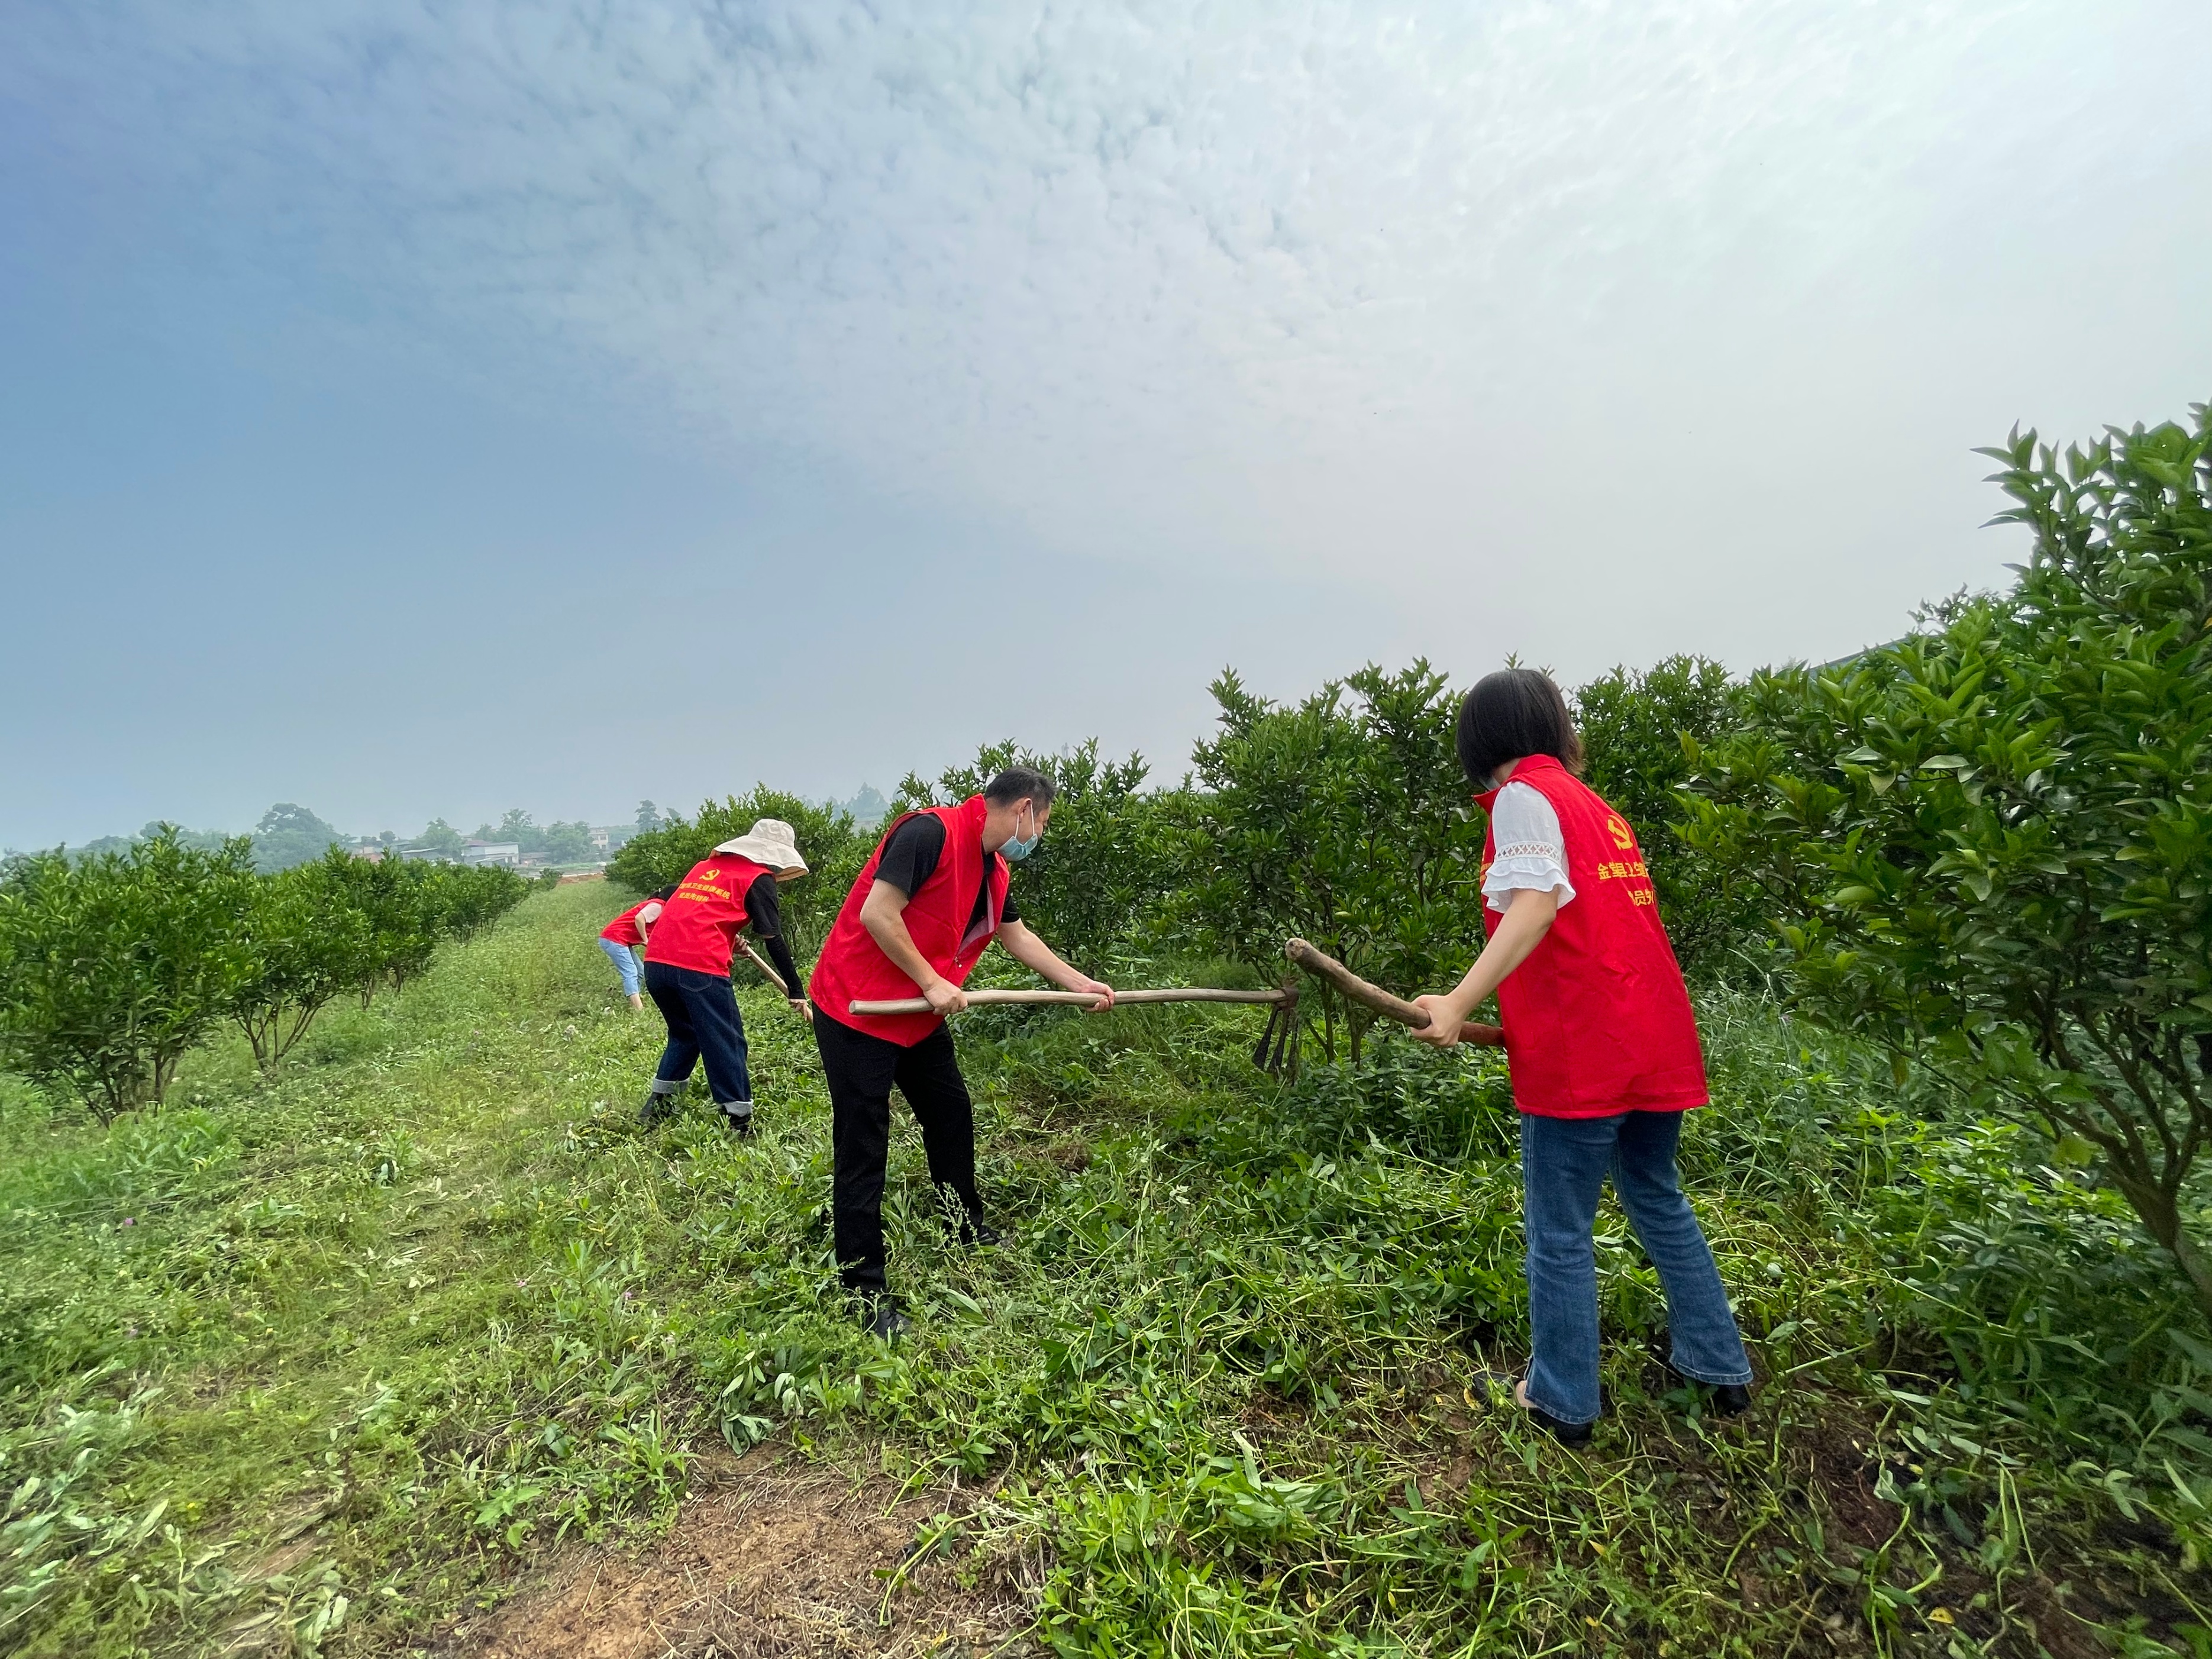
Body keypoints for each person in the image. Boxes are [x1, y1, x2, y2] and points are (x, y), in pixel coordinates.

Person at [1408, 668, 1752, 1446]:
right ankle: (1716, 1364)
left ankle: (1560, 1399)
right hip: (1648, 1039)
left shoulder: (1525, 796)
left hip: (1584, 1055)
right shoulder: (1597, 808)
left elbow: (1533, 903)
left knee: (1558, 1229)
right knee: (1656, 1199)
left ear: (1479, 740)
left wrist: (1457, 1004)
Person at [809, 766, 1114, 1337]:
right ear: (1023, 808)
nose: (1039, 834)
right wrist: (930, 981)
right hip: (857, 1011)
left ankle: (962, 1225)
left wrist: (1077, 983)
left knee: (950, 1115)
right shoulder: (929, 834)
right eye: (1042, 822)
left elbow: (1014, 934)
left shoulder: (993, 869)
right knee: (863, 1142)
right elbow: (879, 913)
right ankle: (862, 1290)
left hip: (917, 1019)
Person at [638, 819, 809, 1134]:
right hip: (698, 967)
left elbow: (697, 912)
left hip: (656, 963)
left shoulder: (705, 867)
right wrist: (796, 989)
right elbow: (774, 939)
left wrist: (730, 937)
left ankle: (658, 1105)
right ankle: (738, 1119)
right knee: (726, 1039)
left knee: (686, 1034)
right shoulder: (759, 878)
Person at [598, 886, 674, 1010]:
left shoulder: (659, 907)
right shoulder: (658, 905)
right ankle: (639, 1009)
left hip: (620, 940)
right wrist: (645, 939)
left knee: (639, 972)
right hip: (614, 938)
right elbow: (639, 919)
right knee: (631, 972)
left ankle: (635, 1001)